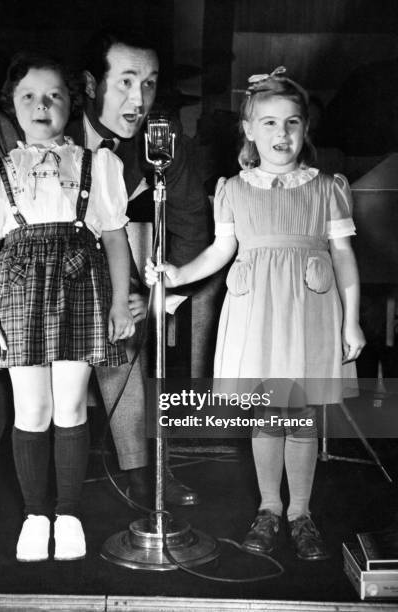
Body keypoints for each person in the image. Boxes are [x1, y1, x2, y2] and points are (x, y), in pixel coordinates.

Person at [0, 29, 212, 510]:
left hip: (90, 275)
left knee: (125, 341)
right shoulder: (16, 138)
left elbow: (192, 223)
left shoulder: (162, 141)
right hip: (11, 272)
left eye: (149, 84)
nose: (139, 99)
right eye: (126, 83)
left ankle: (144, 475)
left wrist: (156, 300)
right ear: (89, 86)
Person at [146, 66, 366, 561]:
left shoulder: (326, 186)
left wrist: (351, 320)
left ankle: (300, 513)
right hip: (257, 311)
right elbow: (222, 250)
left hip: (309, 307)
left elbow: (346, 257)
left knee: (302, 415)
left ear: (305, 129)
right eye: (268, 123)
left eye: (291, 123)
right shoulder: (234, 189)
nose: (281, 134)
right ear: (248, 129)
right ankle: (269, 509)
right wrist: (177, 275)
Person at [0, 53, 135, 561]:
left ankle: (68, 513)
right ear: (12, 106)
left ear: (72, 103)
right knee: (32, 408)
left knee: (69, 405)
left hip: (79, 288)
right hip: (19, 292)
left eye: (55, 96)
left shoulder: (97, 163)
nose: (42, 106)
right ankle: (35, 515)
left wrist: (121, 304)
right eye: (29, 97)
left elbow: (114, 237)